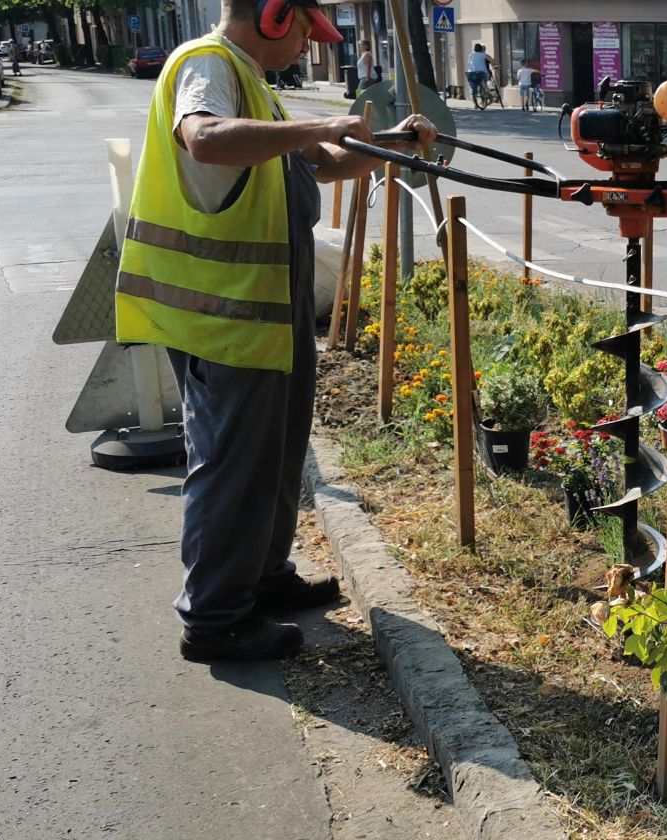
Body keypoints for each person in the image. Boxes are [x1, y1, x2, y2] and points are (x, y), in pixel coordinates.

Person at [115, 0, 437, 662]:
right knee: (233, 465)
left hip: (262, 307)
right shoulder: (207, 65)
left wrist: (390, 145)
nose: (305, 47)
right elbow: (203, 136)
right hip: (221, 312)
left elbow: (317, 162)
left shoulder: (252, 81)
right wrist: (320, 124)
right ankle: (214, 619)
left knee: (275, 454)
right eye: (304, 31)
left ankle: (260, 577)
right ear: (272, 16)